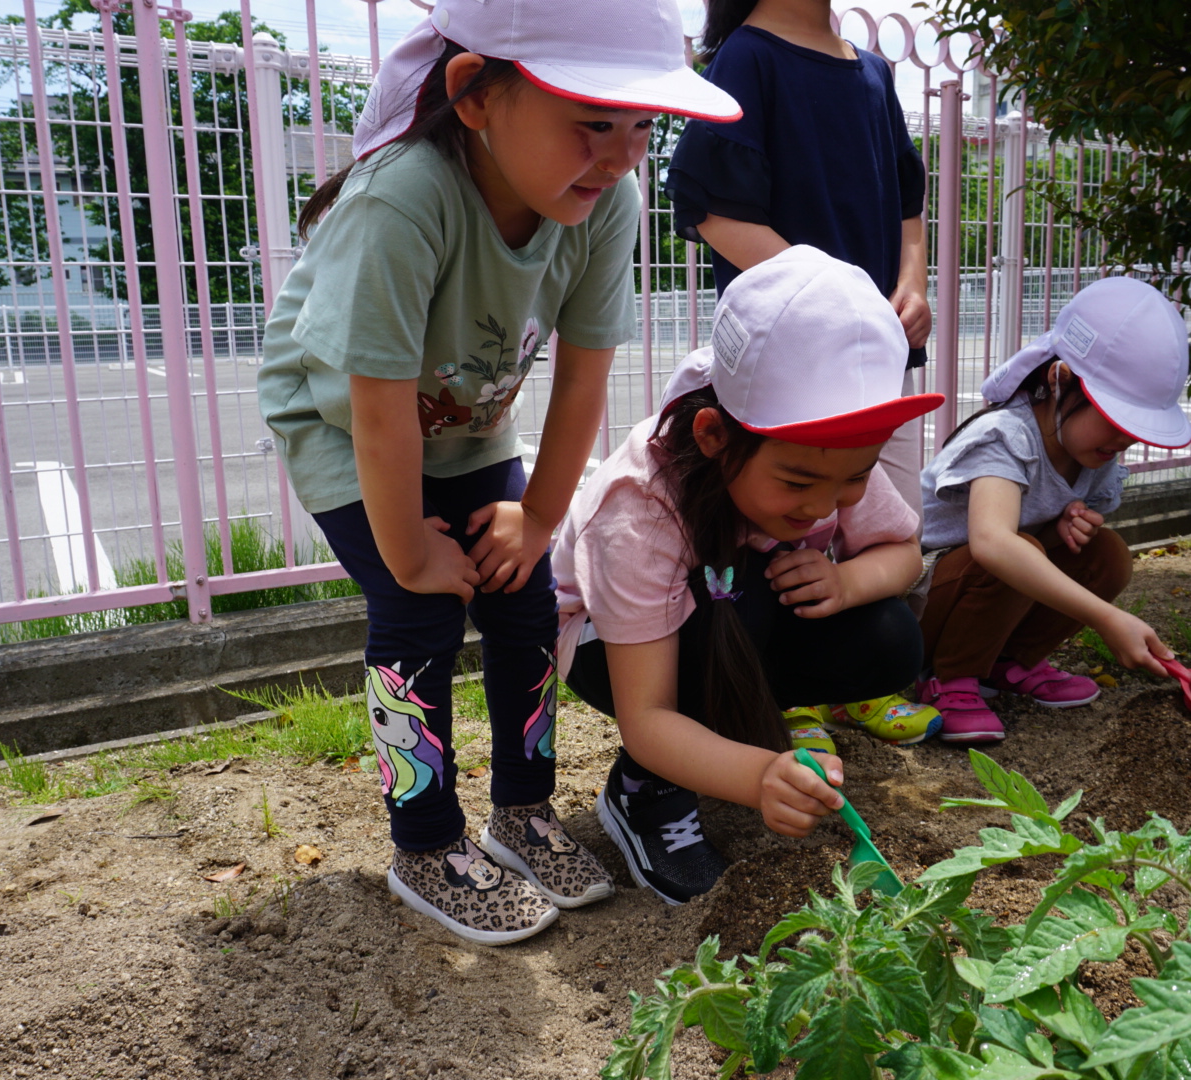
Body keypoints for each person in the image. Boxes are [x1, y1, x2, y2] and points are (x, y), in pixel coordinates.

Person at [256, 0, 740, 946]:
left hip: (465, 421)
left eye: (643, 126)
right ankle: (426, 842)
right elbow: (378, 400)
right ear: (474, 95)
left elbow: (585, 372)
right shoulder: (404, 199)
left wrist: (539, 521)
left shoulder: (608, 204)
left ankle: (523, 813)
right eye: (592, 121)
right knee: (420, 610)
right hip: (341, 417)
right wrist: (406, 547)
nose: (620, 153)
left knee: (523, 599)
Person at [553, 246, 944, 904]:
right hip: (609, 648)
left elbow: (903, 554)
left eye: (852, 479)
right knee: (740, 596)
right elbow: (647, 715)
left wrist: (843, 582)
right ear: (713, 436)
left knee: (889, 637)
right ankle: (645, 795)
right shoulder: (639, 508)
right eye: (797, 482)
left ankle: (740, 725)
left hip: (736, 619)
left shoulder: (828, 451)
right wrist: (761, 776)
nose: (823, 506)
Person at [663, 0, 934, 746]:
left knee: (880, 518)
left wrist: (912, 282)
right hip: (790, 371)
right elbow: (713, 210)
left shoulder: (873, 71)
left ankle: (856, 684)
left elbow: (909, 201)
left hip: (879, 362)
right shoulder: (748, 57)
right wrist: (835, 304)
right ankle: (789, 700)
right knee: (774, 532)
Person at [915, 276, 1190, 743]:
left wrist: (1059, 526)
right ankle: (949, 679)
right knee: (1012, 550)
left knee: (1105, 553)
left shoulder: (1094, 456)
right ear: (1060, 379)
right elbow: (991, 542)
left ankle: (1007, 664)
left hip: (983, 596)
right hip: (921, 602)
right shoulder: (1006, 436)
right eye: (1114, 419)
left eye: (1135, 427)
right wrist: (1108, 618)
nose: (1124, 439)